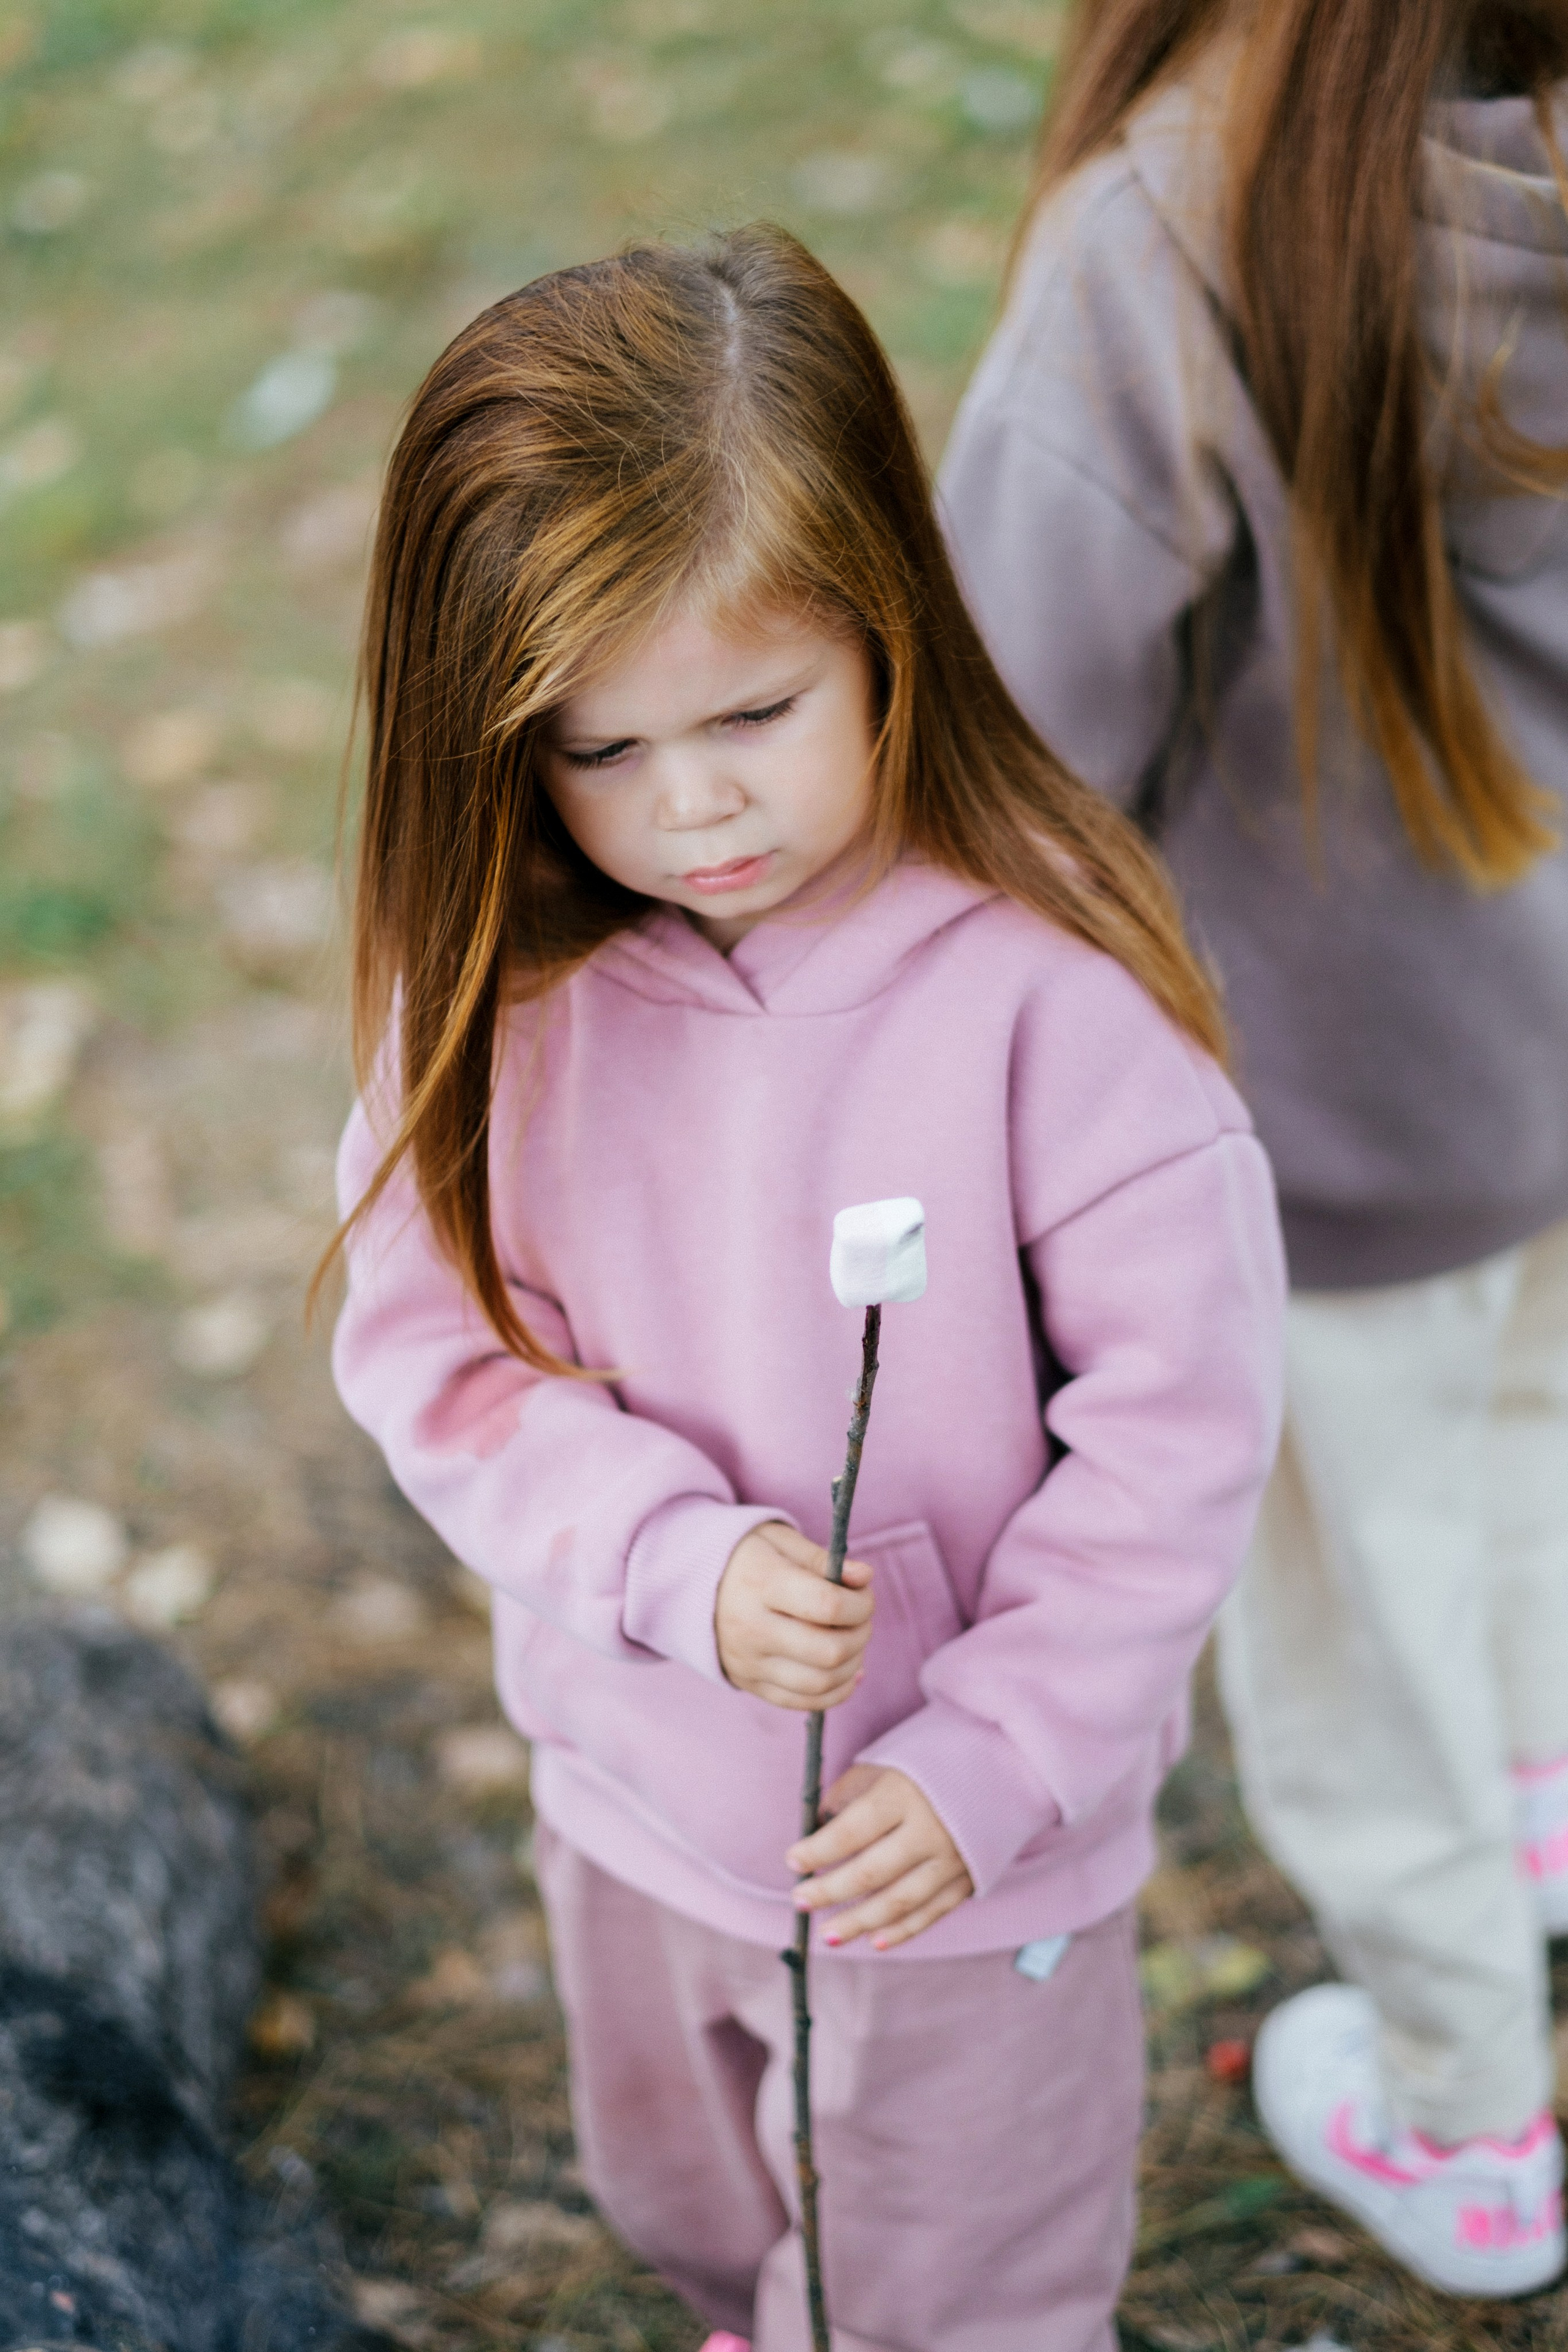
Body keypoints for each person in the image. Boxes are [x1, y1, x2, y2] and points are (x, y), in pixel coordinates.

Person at [323, 225, 1284, 2352]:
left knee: (950, 2282)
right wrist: (667, 1561)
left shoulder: (1052, 1006)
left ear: (887, 626)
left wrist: (996, 1756)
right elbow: (436, 1352)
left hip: (954, 1851)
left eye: (755, 712)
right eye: (597, 748)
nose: (694, 806)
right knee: (692, 2197)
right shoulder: (499, 990)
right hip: (634, 1797)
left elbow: (1180, 1434)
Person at [938, 0, 1568, 2301]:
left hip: (1317, 1148)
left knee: (1356, 1654)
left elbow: (996, 734)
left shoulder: (1177, 239)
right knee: (1523, 1449)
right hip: (1546, 1053)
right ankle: (1542, 1798)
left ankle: (1474, 2129)